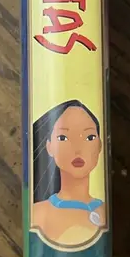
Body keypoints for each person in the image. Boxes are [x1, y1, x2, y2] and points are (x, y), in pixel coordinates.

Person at [31, 99, 107, 246]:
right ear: (49, 147)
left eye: (89, 137)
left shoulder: (106, 211)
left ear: (100, 145)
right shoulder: (37, 214)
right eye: (63, 138)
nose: (78, 149)